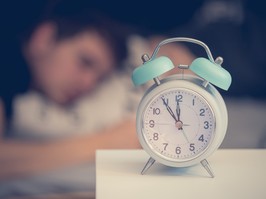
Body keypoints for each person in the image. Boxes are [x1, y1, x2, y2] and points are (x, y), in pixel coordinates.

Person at [0, 0, 195, 197]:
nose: (88, 84)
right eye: (85, 62)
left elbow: (172, 53)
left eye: (99, 78)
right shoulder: (7, 62)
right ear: (44, 38)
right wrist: (105, 142)